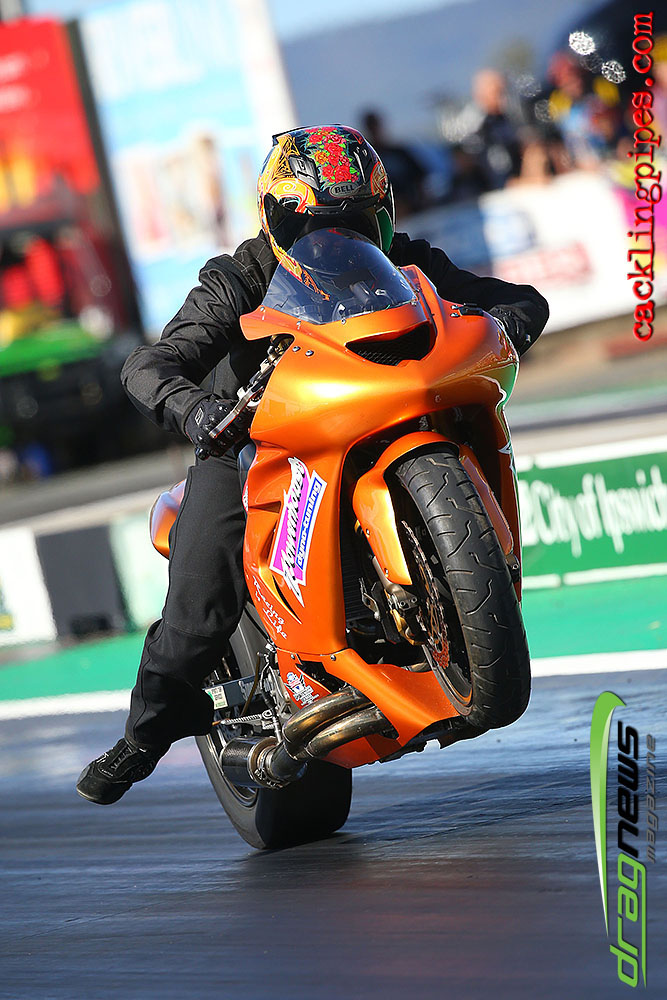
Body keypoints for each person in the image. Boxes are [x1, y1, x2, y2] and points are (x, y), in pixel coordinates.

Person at [76, 124, 549, 806]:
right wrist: (196, 411)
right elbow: (150, 363)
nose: (333, 241)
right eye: (311, 225)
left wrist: (505, 323)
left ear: (381, 218)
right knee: (199, 611)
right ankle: (144, 734)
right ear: (276, 218)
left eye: (355, 223)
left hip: (369, 406)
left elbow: (517, 298)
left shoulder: (406, 260)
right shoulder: (238, 276)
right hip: (250, 444)